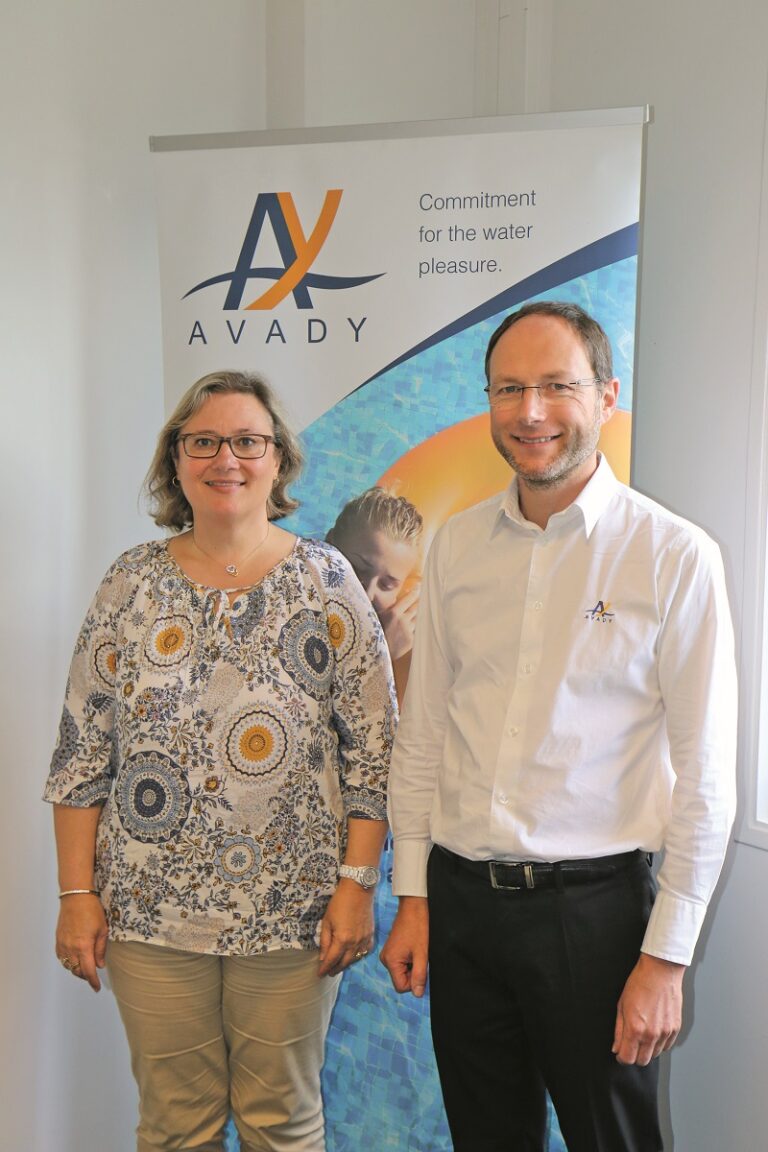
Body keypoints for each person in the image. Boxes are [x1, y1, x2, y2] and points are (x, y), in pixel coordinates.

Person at [380, 301, 737, 1152]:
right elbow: (425, 732)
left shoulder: (673, 555)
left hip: (597, 921)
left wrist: (666, 958)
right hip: (464, 911)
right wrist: (417, 893)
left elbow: (707, 775)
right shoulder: (458, 546)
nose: (530, 412)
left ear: (606, 395)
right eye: (509, 389)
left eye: (555, 386)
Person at [45, 370, 396, 1152]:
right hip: (149, 915)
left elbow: (374, 754)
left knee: (285, 1124)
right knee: (175, 1127)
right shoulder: (129, 584)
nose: (225, 458)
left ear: (279, 463)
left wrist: (356, 886)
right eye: (203, 441)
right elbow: (81, 752)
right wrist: (76, 894)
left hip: (296, 915)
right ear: (176, 461)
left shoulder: (327, 581)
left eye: (247, 441)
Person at [327, 487, 423, 702]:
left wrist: (393, 657)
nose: (367, 594)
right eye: (357, 568)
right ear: (329, 544)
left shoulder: (406, 649)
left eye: (387, 584)